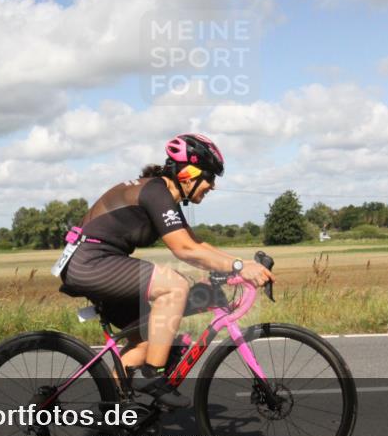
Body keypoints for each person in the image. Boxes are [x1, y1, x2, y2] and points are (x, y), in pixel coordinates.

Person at [57, 133, 275, 408]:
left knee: (147, 342)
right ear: (188, 174)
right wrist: (240, 267)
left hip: (96, 261)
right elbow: (184, 249)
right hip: (91, 262)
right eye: (210, 177)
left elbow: (197, 244)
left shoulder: (162, 195)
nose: (213, 186)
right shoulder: (156, 192)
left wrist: (241, 264)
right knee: (175, 286)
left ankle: (112, 414)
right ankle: (152, 375)